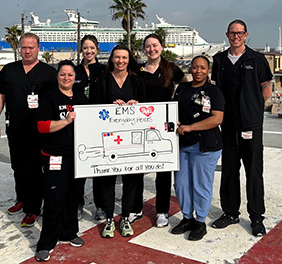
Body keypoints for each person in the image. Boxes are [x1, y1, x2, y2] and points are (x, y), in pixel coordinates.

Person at [211, 19, 273, 237]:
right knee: (229, 169)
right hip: (228, 125)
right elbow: (216, 90)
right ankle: (230, 212)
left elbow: (266, 87)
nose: (235, 36)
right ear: (227, 35)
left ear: (246, 35)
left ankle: (256, 217)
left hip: (251, 125)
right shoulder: (219, 60)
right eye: (232, 33)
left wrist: (253, 109)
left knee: (254, 172)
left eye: (239, 33)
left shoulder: (257, 59)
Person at [0, 33, 57, 227]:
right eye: (24, 47)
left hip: (39, 130)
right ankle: (22, 198)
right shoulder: (9, 70)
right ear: (19, 48)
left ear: (38, 48)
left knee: (35, 169)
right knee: (18, 166)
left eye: (31, 47)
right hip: (16, 128)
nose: (27, 51)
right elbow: (0, 96)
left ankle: (33, 208)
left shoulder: (48, 73)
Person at [129, 33, 187, 228]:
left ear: (161, 47)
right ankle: (135, 208)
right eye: (147, 46)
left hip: (164, 125)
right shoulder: (136, 70)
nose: (151, 49)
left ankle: (162, 210)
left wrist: (178, 109)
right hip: (140, 123)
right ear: (143, 49)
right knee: (138, 168)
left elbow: (187, 87)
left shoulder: (170, 68)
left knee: (163, 170)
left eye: (155, 45)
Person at [35, 60, 88, 262]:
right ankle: (46, 243)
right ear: (57, 76)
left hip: (78, 156)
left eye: (70, 75)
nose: (66, 78)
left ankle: (69, 232)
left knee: (73, 197)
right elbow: (41, 126)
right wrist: (65, 121)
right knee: (54, 199)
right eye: (63, 74)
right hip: (55, 156)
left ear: (75, 78)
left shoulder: (82, 99)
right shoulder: (49, 98)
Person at [93, 44, 146, 238]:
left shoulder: (136, 81)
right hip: (109, 138)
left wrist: (135, 106)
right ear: (111, 59)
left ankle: (125, 217)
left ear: (129, 59)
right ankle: (108, 218)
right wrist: (111, 107)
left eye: (124, 57)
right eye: (117, 57)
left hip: (131, 138)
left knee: (131, 178)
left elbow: (145, 108)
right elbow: (95, 108)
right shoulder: (103, 81)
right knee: (108, 178)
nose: (120, 61)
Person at [171, 56, 224, 241]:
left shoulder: (213, 91)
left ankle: (200, 221)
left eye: (202, 67)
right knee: (181, 184)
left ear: (207, 70)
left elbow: (217, 119)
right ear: (190, 69)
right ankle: (187, 217)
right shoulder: (182, 88)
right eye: (194, 67)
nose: (198, 71)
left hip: (205, 145)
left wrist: (191, 127)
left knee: (201, 185)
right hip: (183, 144)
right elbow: (173, 111)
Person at [74, 35, 106, 221]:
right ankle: (78, 203)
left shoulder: (103, 70)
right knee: (80, 166)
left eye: (92, 47)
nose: (89, 51)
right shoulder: (75, 70)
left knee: (98, 167)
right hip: (78, 123)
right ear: (81, 50)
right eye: (85, 48)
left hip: (99, 124)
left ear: (97, 49)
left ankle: (100, 205)